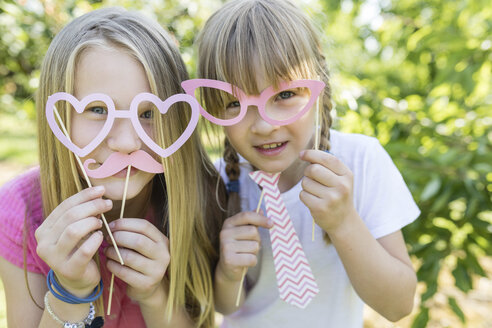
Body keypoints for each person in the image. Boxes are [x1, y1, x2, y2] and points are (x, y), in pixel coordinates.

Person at [186, 0, 421, 326]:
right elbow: (227, 306)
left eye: (284, 95)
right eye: (234, 102)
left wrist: (343, 223)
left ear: (318, 84)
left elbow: (398, 305)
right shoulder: (221, 182)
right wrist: (228, 272)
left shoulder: (361, 161)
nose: (264, 125)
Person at [0, 7, 226, 328]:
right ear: (60, 118)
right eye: (97, 110)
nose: (127, 142)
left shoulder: (201, 198)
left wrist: (154, 295)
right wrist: (69, 290)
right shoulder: (18, 211)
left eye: (148, 113)